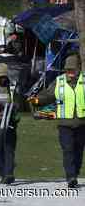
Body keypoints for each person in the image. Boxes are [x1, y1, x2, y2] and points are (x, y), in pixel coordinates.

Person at [28, 54, 85, 188]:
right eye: (67, 69)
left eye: (72, 69)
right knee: (68, 149)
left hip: (82, 124)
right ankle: (70, 176)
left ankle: (74, 173)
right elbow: (47, 95)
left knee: (78, 151)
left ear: (78, 68)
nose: (70, 72)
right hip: (64, 125)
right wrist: (37, 100)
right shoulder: (59, 81)